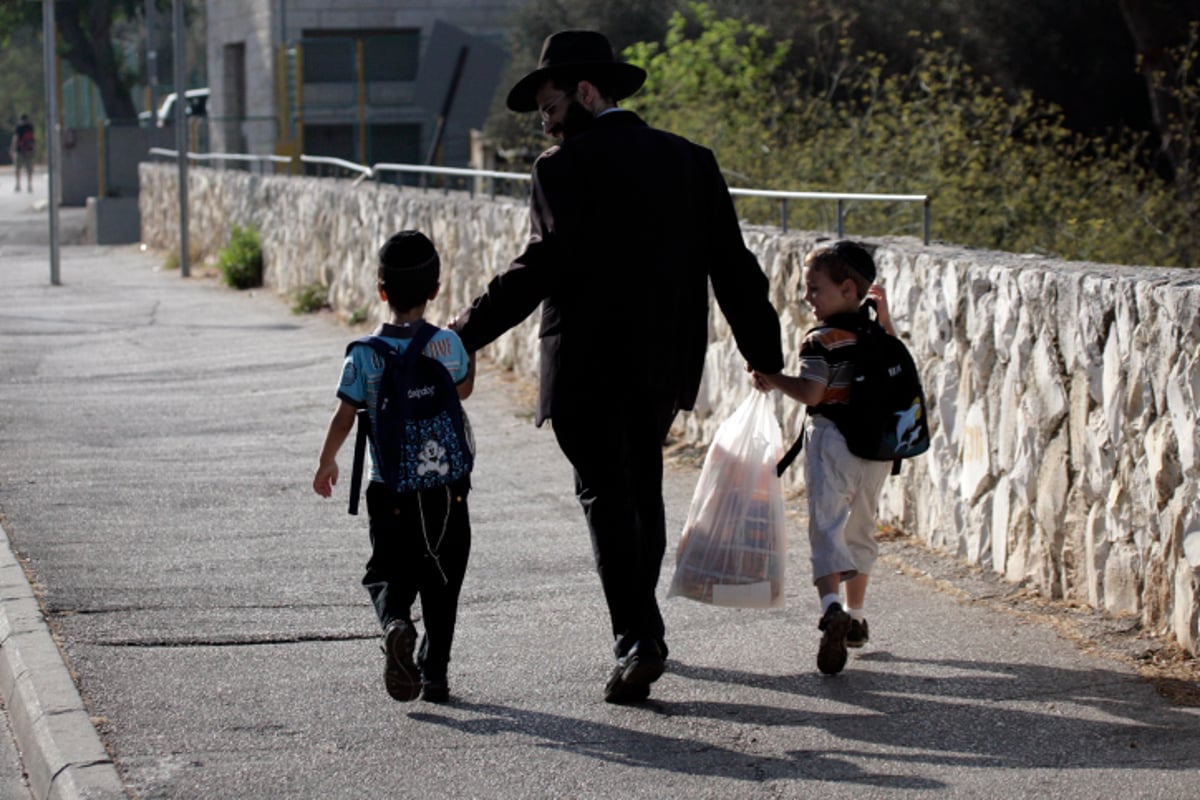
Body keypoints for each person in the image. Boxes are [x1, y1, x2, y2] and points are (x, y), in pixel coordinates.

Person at [449, 30, 784, 703]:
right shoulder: (691, 161)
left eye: (548, 108)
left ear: (587, 91)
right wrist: (765, 354)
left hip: (585, 366)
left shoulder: (561, 168)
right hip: (664, 362)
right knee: (639, 486)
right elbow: (734, 266)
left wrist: (463, 335)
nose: (544, 123)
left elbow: (538, 269)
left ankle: (636, 639)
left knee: (606, 496)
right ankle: (644, 630)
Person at [313, 230, 476, 704]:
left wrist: (327, 461)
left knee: (387, 570)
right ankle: (436, 674)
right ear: (435, 290)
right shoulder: (446, 344)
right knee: (443, 578)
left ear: (381, 291)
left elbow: (345, 413)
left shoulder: (363, 354)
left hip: (388, 487)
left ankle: (396, 624)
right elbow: (462, 391)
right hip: (447, 487)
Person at [752, 241, 895, 676]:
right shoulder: (878, 337)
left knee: (827, 527)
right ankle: (856, 616)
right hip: (877, 450)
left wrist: (774, 378)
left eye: (815, 289)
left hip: (832, 440)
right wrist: (883, 316)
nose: (808, 298)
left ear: (848, 289)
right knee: (861, 529)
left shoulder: (821, 340)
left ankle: (832, 608)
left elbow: (813, 393)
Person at [11, 114, 34, 193]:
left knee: (17, 169)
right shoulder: (30, 127)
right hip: (29, 151)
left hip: (19, 151)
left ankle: (18, 185)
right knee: (29, 169)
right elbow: (33, 139)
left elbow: (15, 138)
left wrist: (12, 149)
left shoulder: (18, 127)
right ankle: (29, 185)